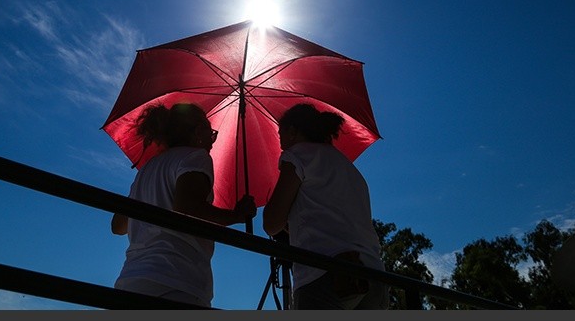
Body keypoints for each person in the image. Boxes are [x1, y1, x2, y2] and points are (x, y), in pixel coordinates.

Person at [111, 102, 257, 308]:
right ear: (198, 132)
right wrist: (236, 215)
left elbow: (118, 225)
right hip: (177, 280)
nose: (212, 142)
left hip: (130, 281)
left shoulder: (147, 169)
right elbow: (188, 209)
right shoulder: (195, 157)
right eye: (211, 134)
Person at [262, 103, 389, 310]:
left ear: (293, 131)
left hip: (327, 275)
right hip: (374, 276)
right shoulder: (347, 167)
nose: (281, 143)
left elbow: (271, 223)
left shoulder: (297, 154)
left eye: (280, 134)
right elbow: (327, 218)